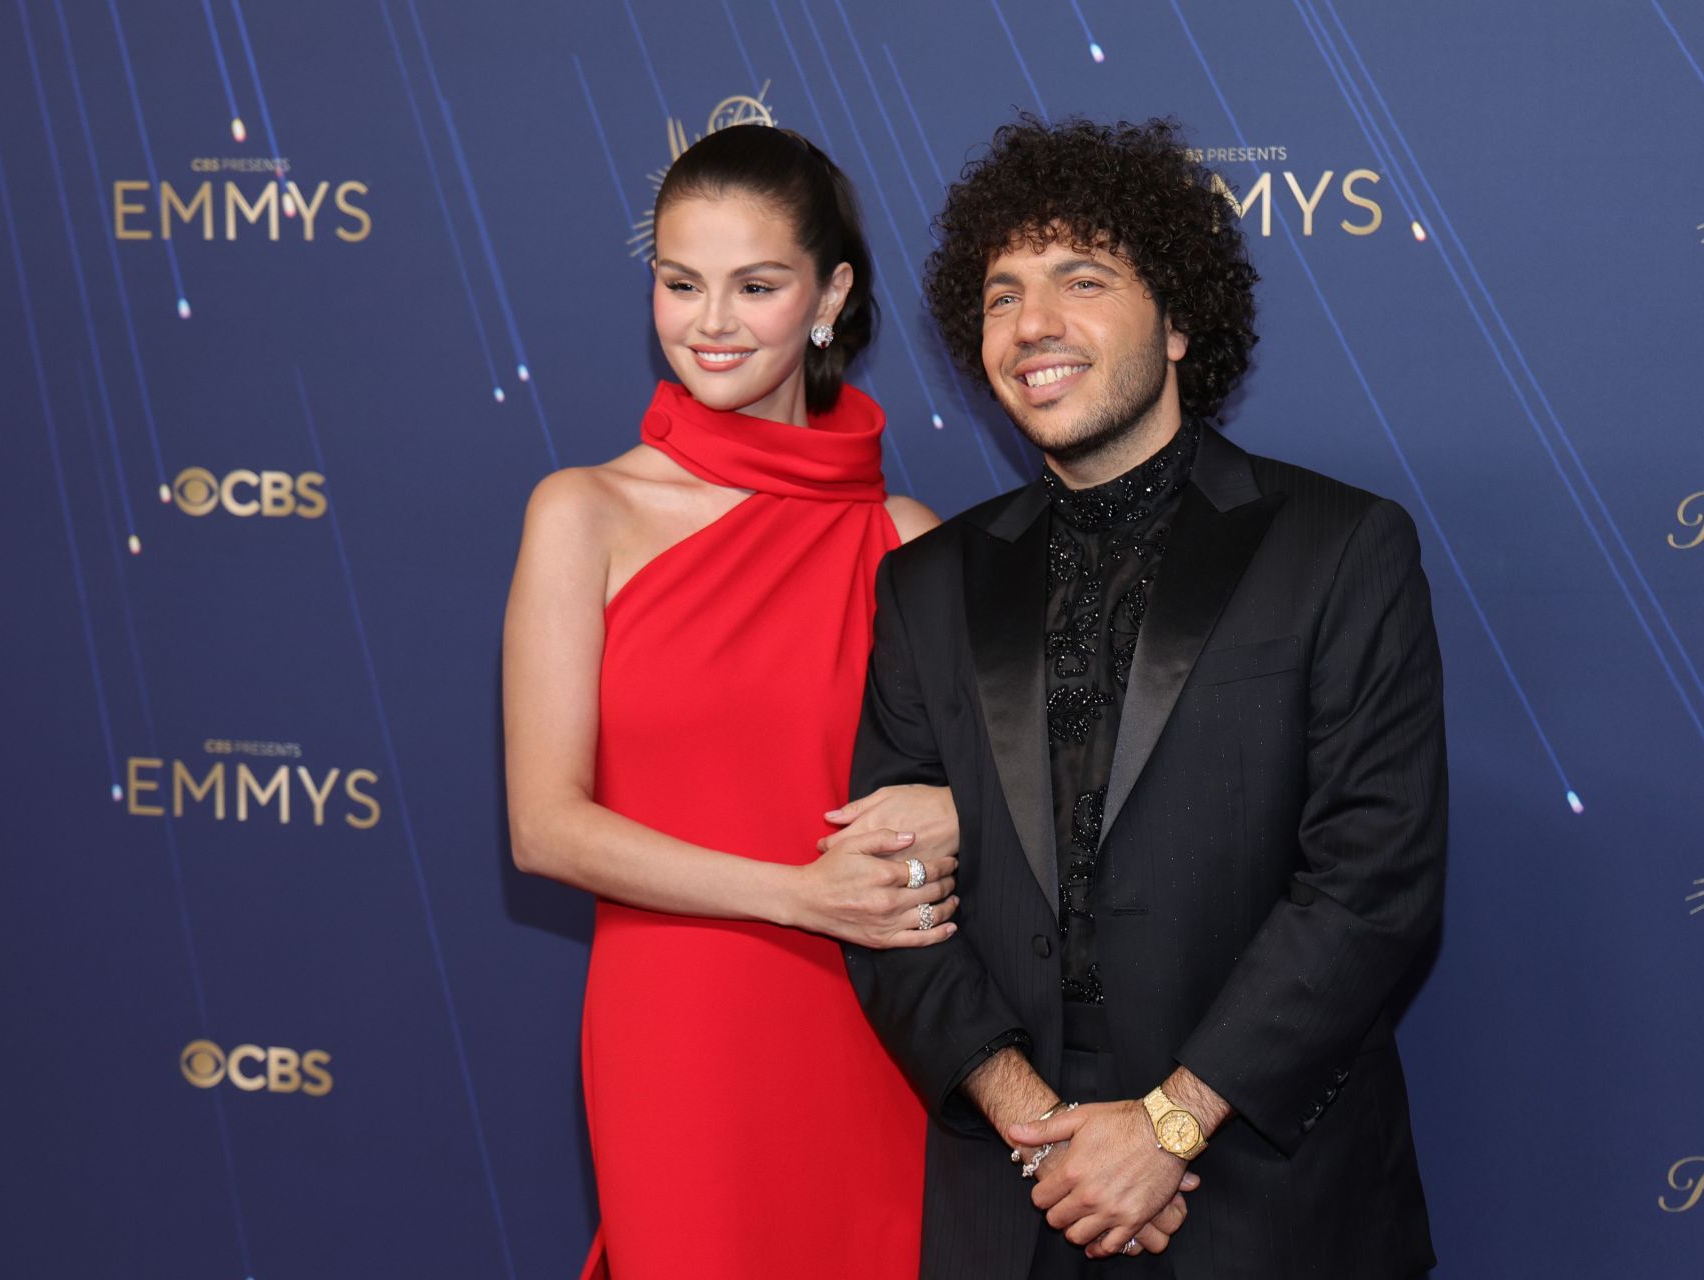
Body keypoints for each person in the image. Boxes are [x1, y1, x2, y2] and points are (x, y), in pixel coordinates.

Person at [843, 116, 1446, 1278]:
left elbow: (1373, 883)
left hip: (1269, 1206)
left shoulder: (1337, 547)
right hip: (1016, 1205)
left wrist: (1169, 1124)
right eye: (1002, 293)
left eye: (1082, 278)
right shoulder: (927, 585)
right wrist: (1041, 1132)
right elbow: (890, 898)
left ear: (1177, 322)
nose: (1033, 325)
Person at [502, 124, 958, 1279]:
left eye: (754, 285)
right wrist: (800, 895)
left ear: (830, 292)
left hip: (877, 1024)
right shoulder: (585, 512)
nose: (709, 323)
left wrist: (957, 820)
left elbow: (1011, 803)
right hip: (685, 1027)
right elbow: (545, 824)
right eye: (679, 282)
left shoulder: (906, 542)